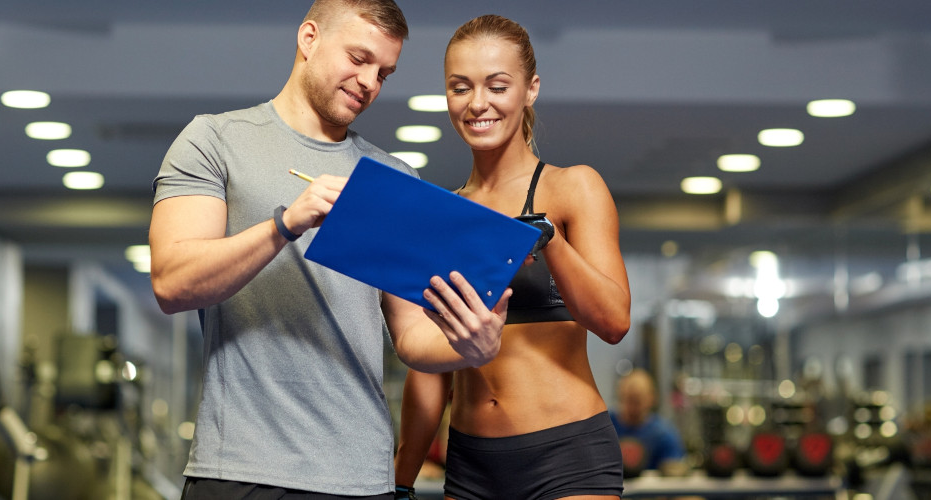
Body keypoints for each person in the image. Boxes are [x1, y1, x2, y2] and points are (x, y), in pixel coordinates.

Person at [149, 2, 514, 498]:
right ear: (308, 38)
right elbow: (173, 283)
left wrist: (470, 347)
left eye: (383, 72)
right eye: (358, 58)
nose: (369, 82)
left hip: (360, 476)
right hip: (241, 467)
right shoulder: (214, 141)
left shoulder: (393, 180)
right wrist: (285, 224)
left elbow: (409, 336)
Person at [394, 14, 632, 500]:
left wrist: (550, 242)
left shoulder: (572, 188)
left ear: (530, 89)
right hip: (471, 467)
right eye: (460, 87)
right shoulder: (444, 213)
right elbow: (429, 369)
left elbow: (613, 322)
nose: (477, 103)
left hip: (568, 456)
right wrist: (401, 479)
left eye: (496, 86)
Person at [610, 369, 687, 475]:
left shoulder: (663, 434)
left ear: (652, 398)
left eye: (637, 400)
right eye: (627, 398)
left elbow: (675, 469)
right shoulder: (604, 427)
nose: (632, 406)